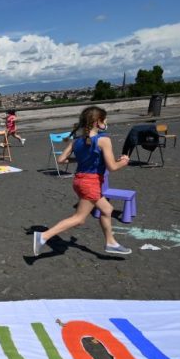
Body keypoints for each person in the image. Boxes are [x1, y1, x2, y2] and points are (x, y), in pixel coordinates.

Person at [33, 106, 132, 256]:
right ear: (97, 122)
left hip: (79, 181)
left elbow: (61, 160)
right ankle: (43, 236)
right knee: (79, 219)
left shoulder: (77, 141)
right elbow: (112, 166)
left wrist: (80, 158)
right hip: (91, 183)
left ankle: (111, 242)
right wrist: (124, 162)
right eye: (105, 120)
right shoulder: (103, 140)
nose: (106, 122)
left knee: (107, 210)